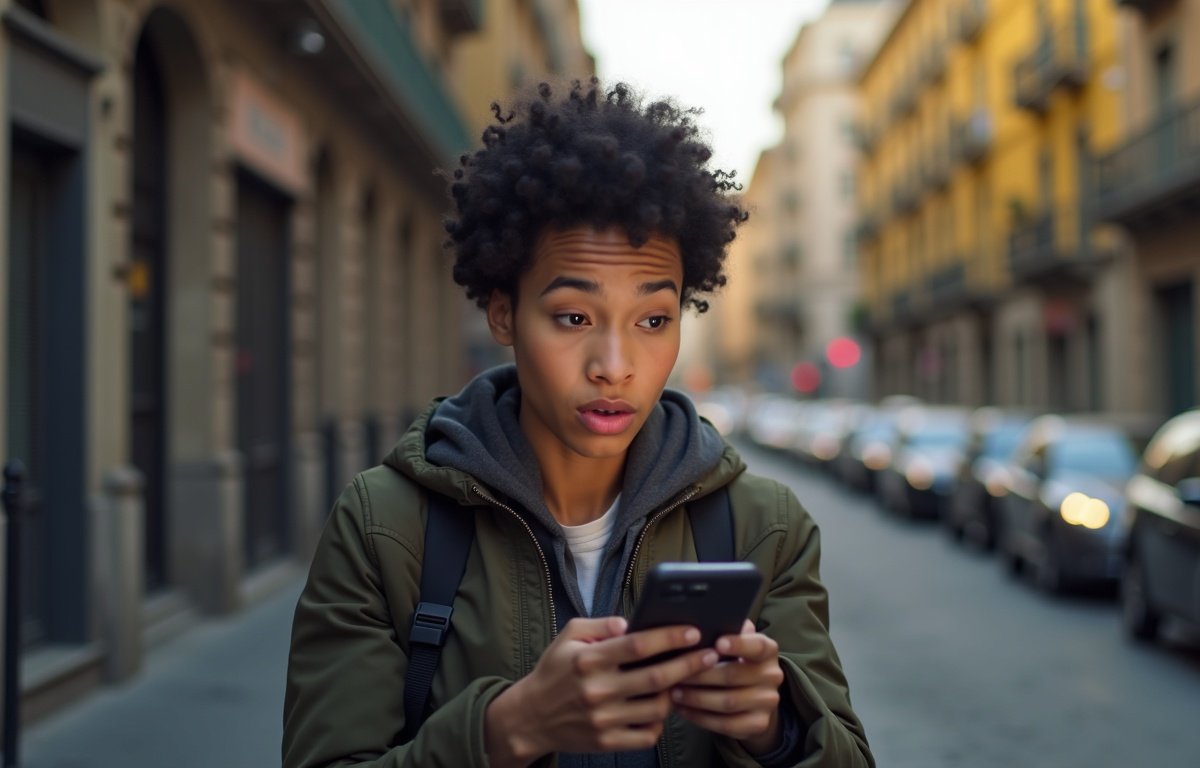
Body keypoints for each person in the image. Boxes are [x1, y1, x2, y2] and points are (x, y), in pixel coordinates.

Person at [282, 79, 873, 768]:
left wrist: (775, 730)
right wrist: (506, 730)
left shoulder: (765, 528)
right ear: (502, 313)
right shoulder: (384, 527)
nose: (615, 366)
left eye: (654, 320)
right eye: (573, 317)